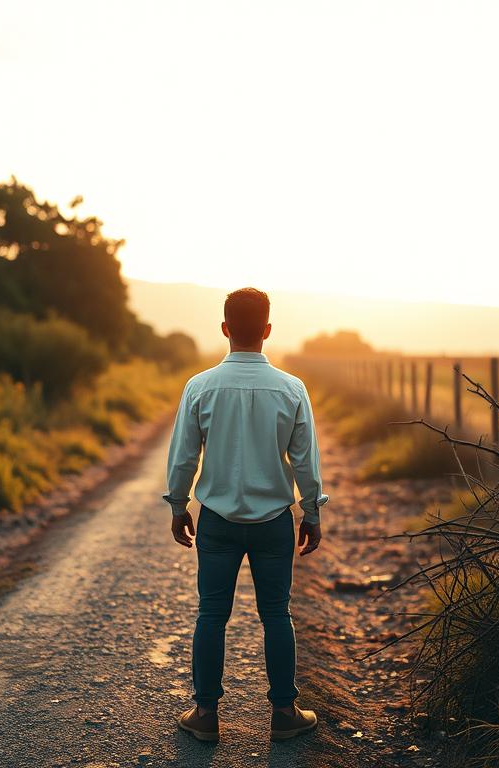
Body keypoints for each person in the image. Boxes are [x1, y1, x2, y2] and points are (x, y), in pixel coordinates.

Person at [163, 287, 329, 743]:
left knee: (211, 613)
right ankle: (284, 714)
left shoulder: (199, 387)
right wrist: (311, 513)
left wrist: (179, 505)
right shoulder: (292, 389)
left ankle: (205, 715)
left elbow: (182, 459)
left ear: (224, 329)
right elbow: (305, 463)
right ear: (268, 331)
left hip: (216, 519)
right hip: (273, 521)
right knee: (276, 613)